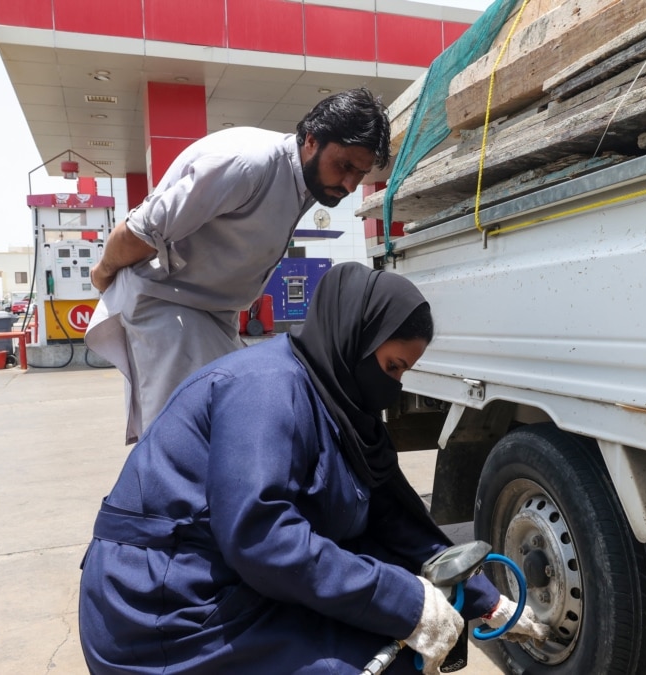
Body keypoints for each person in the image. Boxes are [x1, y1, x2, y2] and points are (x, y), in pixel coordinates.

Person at [78, 262, 550, 674]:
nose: (393, 388)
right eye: (390, 368)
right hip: (164, 606)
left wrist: (486, 600)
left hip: (235, 584)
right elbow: (261, 536)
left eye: (403, 373)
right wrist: (406, 601)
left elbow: (393, 522)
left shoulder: (342, 411)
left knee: (396, 651)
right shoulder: (266, 390)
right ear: (354, 338)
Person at [85, 88, 392, 444]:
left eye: (362, 173)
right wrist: (102, 273)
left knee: (235, 427)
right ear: (311, 140)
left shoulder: (308, 182)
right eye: (345, 166)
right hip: (168, 307)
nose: (351, 184)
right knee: (181, 442)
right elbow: (139, 231)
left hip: (215, 315)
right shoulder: (247, 165)